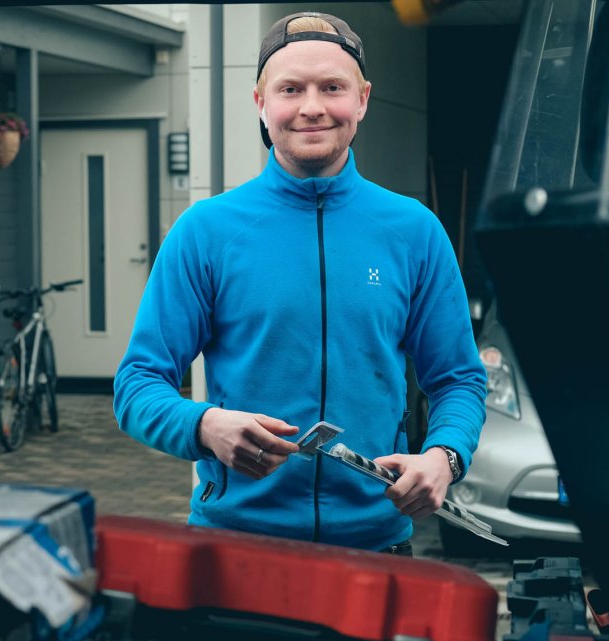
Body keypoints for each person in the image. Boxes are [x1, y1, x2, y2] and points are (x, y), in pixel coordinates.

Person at [113, 12, 487, 555]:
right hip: (236, 548)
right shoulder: (206, 232)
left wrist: (444, 456)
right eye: (290, 89)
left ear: (361, 100)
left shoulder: (413, 231)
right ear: (261, 104)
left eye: (332, 87)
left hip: (376, 549)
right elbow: (137, 385)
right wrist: (203, 426)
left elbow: (457, 379)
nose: (312, 107)